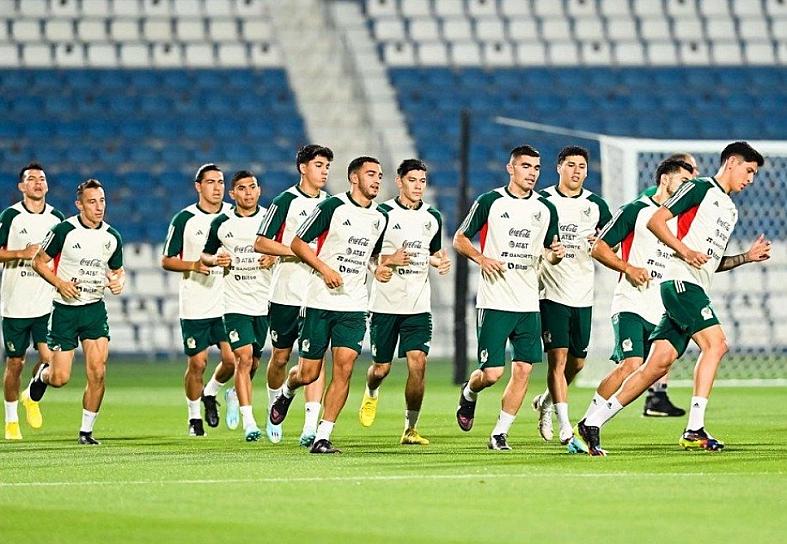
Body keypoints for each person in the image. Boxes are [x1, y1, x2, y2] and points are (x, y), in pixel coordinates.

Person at [578, 141, 770, 455]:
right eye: (748, 170)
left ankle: (593, 421)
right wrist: (683, 250)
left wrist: (746, 257)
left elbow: (709, 262)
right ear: (732, 162)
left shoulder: (730, 209)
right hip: (680, 283)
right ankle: (694, 428)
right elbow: (656, 222)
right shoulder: (698, 189)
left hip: (693, 285)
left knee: (656, 365)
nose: (750, 179)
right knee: (716, 344)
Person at [571, 159, 694, 453]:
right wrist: (627, 268)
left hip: (662, 308)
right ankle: (588, 426)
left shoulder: (683, 220)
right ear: (665, 179)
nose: (686, 189)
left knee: (647, 371)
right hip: (631, 303)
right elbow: (599, 246)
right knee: (631, 364)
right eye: (682, 182)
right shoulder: (635, 210)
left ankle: (588, 425)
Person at [268, 156, 389, 454]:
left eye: (380, 175)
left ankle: (323, 434)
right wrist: (324, 269)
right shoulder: (331, 207)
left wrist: (379, 268)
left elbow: (371, 256)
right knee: (308, 373)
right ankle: (286, 391)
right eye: (371, 174)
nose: (376, 180)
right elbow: (297, 243)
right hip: (319, 300)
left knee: (345, 369)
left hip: (354, 304)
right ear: (354, 178)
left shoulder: (380, 217)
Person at [453, 145, 564, 451]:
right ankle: (469, 393)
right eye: (526, 166)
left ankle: (500, 433)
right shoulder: (490, 201)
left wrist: (555, 256)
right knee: (491, 374)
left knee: (525, 369)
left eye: (537, 168)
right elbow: (459, 239)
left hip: (529, 302)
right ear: (511, 168)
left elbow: (549, 253)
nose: (532, 173)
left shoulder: (545, 208)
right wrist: (481, 259)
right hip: (495, 300)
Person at [358, 159, 451, 445]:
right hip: (385, 304)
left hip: (418, 306)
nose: (418, 186)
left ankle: (410, 428)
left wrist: (439, 262)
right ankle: (372, 391)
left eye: (422, 181)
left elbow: (431, 252)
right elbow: (367, 256)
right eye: (412, 180)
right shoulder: (381, 213)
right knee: (381, 369)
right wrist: (384, 264)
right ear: (399, 182)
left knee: (418, 363)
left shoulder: (433, 216)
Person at [24, 179, 124, 445]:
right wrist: (60, 283)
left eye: (102, 200)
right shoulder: (64, 230)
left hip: (94, 310)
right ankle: (41, 375)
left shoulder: (112, 237)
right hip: (65, 312)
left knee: (98, 371)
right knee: (60, 378)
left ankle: (86, 431)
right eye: (92, 202)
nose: (99, 207)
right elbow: (38, 262)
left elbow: (117, 270)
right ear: (79, 205)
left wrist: (118, 281)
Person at [532, 146, 611, 446]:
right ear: (559, 168)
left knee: (576, 365)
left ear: (587, 171)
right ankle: (565, 426)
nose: (576, 171)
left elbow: (611, 246)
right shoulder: (542, 201)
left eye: (581, 166)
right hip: (551, 291)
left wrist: (601, 241)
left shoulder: (596, 205)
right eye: (571, 165)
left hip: (583, 294)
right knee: (558, 360)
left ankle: (546, 401)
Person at [254, 145, 332, 446]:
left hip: (317, 296)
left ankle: (311, 426)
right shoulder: (285, 201)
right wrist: (297, 252)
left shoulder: (332, 205)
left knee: (316, 360)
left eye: (327, 166)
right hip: (285, 293)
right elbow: (260, 242)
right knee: (281, 357)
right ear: (303, 168)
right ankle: (276, 402)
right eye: (318, 165)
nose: (324, 171)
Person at [162, 164, 236, 436]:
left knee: (232, 361)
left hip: (228, 301)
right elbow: (167, 260)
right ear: (198, 186)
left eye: (220, 182)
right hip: (195, 302)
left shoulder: (233, 214)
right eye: (211, 182)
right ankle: (194, 418)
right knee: (198, 363)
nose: (217, 187)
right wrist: (194, 265)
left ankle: (210, 392)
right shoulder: (185, 219)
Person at [201, 170, 274, 442]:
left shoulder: (270, 218)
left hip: (263, 302)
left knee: (254, 361)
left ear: (259, 190)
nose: (248, 192)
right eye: (241, 188)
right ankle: (250, 422)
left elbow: (284, 247)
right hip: (234, 303)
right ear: (233, 194)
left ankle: (229, 392)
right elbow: (205, 254)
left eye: (252, 187)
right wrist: (215, 260)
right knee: (242, 358)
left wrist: (273, 258)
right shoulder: (222, 222)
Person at [0, 163, 65, 440]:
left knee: (51, 360)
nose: (38, 182)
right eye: (31, 179)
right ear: (21, 186)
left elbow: (63, 256)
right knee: (15, 363)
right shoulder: (11, 216)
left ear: (47, 186)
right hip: (15, 303)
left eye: (42, 178)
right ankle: (11, 419)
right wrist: (20, 252)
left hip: (46, 303)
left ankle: (32, 395)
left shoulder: (57, 218)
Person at [640, 152, 699, 417]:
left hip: (667, 276)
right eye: (689, 170)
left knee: (663, 342)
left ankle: (657, 395)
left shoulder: (684, 202)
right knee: (639, 356)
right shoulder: (654, 201)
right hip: (650, 280)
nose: (695, 175)